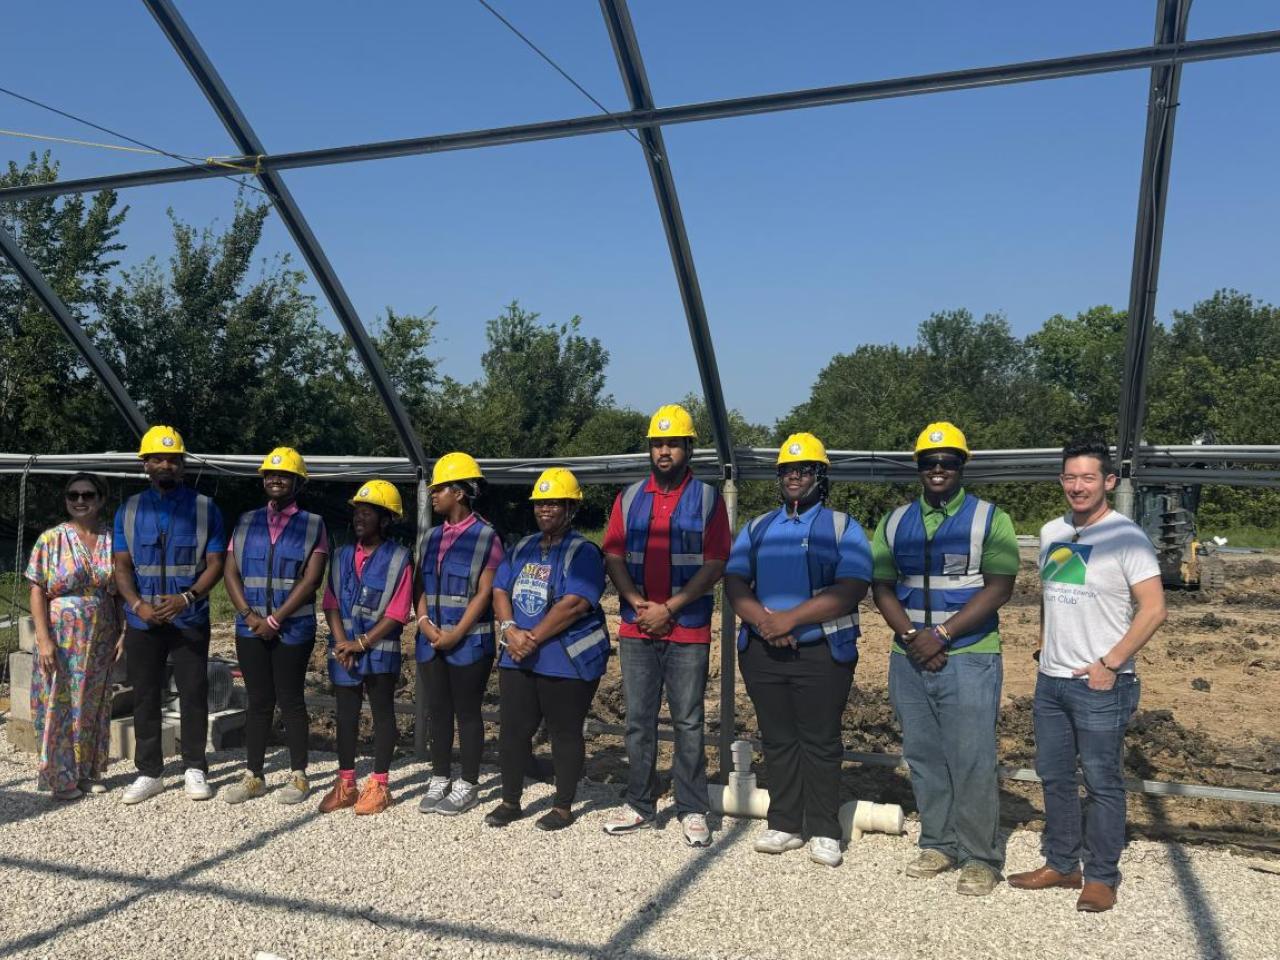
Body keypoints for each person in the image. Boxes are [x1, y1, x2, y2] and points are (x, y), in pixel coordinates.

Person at [1009, 437, 1166, 913]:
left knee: (1101, 781)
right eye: (1070, 477)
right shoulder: (1053, 531)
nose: (1078, 486)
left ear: (1108, 482)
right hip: (1051, 679)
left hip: (1101, 684)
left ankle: (1100, 876)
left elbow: (1155, 608)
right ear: (1062, 481)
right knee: (1054, 776)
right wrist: (1042, 647)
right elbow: (1051, 595)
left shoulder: (1126, 536)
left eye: (1088, 478)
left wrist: (1111, 662)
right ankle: (1061, 862)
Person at [870, 422, 1018, 896]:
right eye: (930, 463)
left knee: (971, 756)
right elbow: (882, 586)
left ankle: (980, 856)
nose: (939, 470)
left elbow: (1000, 586)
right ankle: (939, 841)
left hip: (970, 655)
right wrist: (914, 636)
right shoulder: (895, 522)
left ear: (961, 467)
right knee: (925, 754)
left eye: (948, 462)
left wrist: (944, 634)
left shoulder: (988, 518)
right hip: (909, 654)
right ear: (919, 469)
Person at [724, 433, 871, 868]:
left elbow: (851, 588)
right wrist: (764, 622)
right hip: (763, 651)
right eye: (787, 470)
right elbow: (735, 581)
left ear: (819, 476)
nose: (794, 476)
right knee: (779, 737)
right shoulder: (758, 526)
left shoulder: (843, 526)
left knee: (820, 740)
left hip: (822, 652)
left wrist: (789, 621)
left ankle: (825, 827)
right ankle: (785, 822)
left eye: (804, 469)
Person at [602, 404, 729, 847]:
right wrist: (639, 604)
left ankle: (692, 808)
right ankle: (640, 802)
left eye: (673, 443)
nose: (664, 451)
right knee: (638, 720)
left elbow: (715, 564)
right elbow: (613, 554)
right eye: (657, 443)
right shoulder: (630, 496)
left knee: (688, 722)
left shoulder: (708, 498)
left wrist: (669, 608)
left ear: (689, 448)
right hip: (638, 628)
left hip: (686, 627)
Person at [485, 467, 611, 832]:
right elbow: (499, 590)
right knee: (512, 731)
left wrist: (532, 637)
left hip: (565, 661)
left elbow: (574, 603)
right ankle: (510, 800)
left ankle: (562, 806)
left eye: (554, 503)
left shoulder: (584, 552)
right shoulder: (521, 547)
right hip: (518, 655)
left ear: (571, 508)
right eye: (540, 503)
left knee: (564, 732)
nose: (545, 510)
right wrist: (510, 629)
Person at [113, 425, 226, 805]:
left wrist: (186, 597)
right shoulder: (128, 510)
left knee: (194, 692)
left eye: (174, 459)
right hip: (144, 620)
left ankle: (194, 766)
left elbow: (216, 563)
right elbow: (122, 567)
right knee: (145, 693)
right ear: (145, 464)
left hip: (188, 618)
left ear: (182, 465)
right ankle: (149, 772)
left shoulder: (205, 508)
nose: (166, 465)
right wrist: (137, 605)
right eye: (158, 459)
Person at [221, 448, 329, 806]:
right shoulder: (246, 520)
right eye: (270, 475)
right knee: (258, 701)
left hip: (292, 629)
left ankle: (299, 776)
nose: (275, 479)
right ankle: (254, 775)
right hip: (250, 627)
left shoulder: (313, 524)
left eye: (283, 475)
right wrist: (250, 616)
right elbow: (230, 570)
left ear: (299, 482)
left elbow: (311, 579)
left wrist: (275, 619)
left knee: (292, 700)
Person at [415, 452, 504, 817]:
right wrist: (423, 623)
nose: (433, 495)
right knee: (437, 711)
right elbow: (419, 585)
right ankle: (439, 776)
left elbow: (485, 593)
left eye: (440, 489)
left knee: (467, 713)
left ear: (461, 493)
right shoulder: (430, 537)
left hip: (469, 643)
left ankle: (467, 783)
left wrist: (455, 634)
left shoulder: (487, 538)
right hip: (431, 639)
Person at [25, 473, 124, 800]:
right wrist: (43, 638)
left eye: (88, 494)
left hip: (102, 636)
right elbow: (37, 589)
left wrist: (124, 632)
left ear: (101, 498)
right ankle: (60, 777)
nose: (80, 500)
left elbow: (119, 593)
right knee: (61, 703)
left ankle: (87, 771)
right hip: (62, 637)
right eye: (73, 495)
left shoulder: (113, 539)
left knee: (93, 703)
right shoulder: (51, 539)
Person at [318, 480, 414, 816]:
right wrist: (343, 641)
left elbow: (398, 611)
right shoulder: (342, 554)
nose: (359, 517)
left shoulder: (400, 558)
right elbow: (330, 601)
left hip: (379, 649)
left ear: (386, 519)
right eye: (357, 511)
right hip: (344, 649)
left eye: (368, 512)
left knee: (382, 714)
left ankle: (380, 785)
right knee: (345, 715)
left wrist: (360, 643)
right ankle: (346, 783)